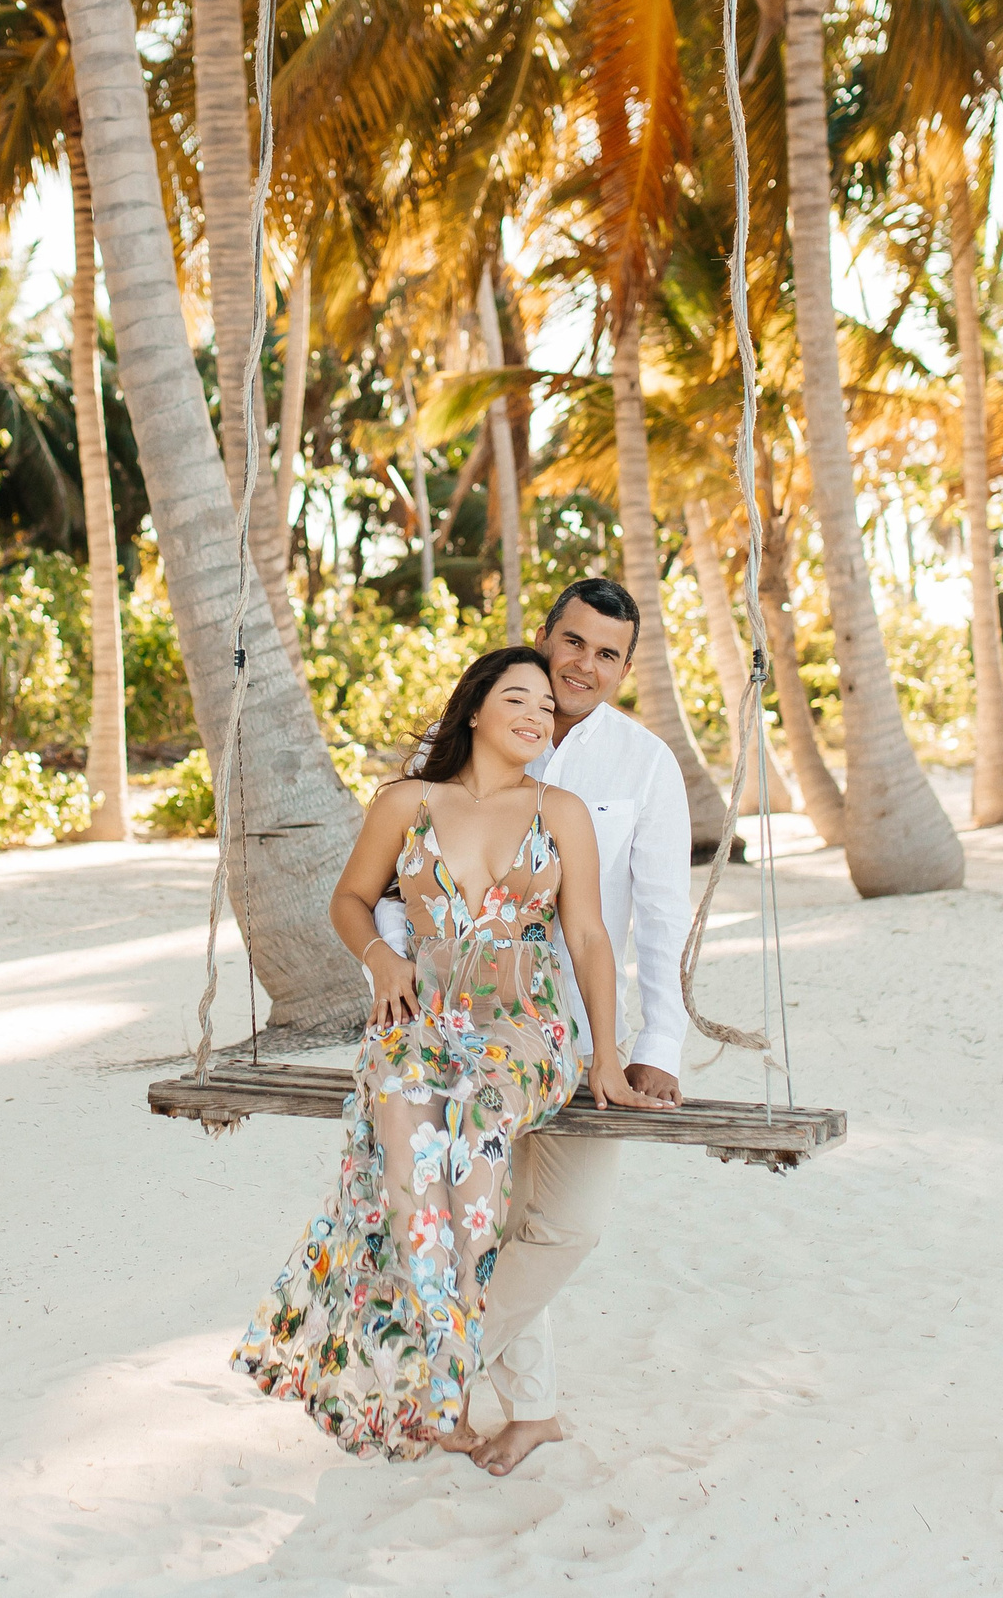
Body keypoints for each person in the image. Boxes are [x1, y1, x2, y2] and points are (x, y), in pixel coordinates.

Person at [231, 646, 672, 1460]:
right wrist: (381, 959)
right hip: (424, 1016)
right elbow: (351, 900)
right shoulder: (407, 802)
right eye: (520, 697)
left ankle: (439, 1377)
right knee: (399, 1141)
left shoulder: (561, 809)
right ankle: (437, 1377)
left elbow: (587, 936)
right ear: (474, 709)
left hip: (524, 1028)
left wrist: (606, 1054)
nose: (540, 715)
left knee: (470, 1131)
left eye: (548, 706)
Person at [397, 577, 701, 1475]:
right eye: (574, 643)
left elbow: (657, 917)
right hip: (458, 1027)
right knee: (483, 1225)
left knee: (569, 1222)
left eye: (609, 654)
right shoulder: (477, 738)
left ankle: (440, 1376)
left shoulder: (643, 765)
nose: (586, 666)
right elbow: (393, 882)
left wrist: (656, 1048)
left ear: (625, 668)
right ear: (546, 636)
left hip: (576, 1037)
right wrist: (396, 976)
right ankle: (531, 1411)